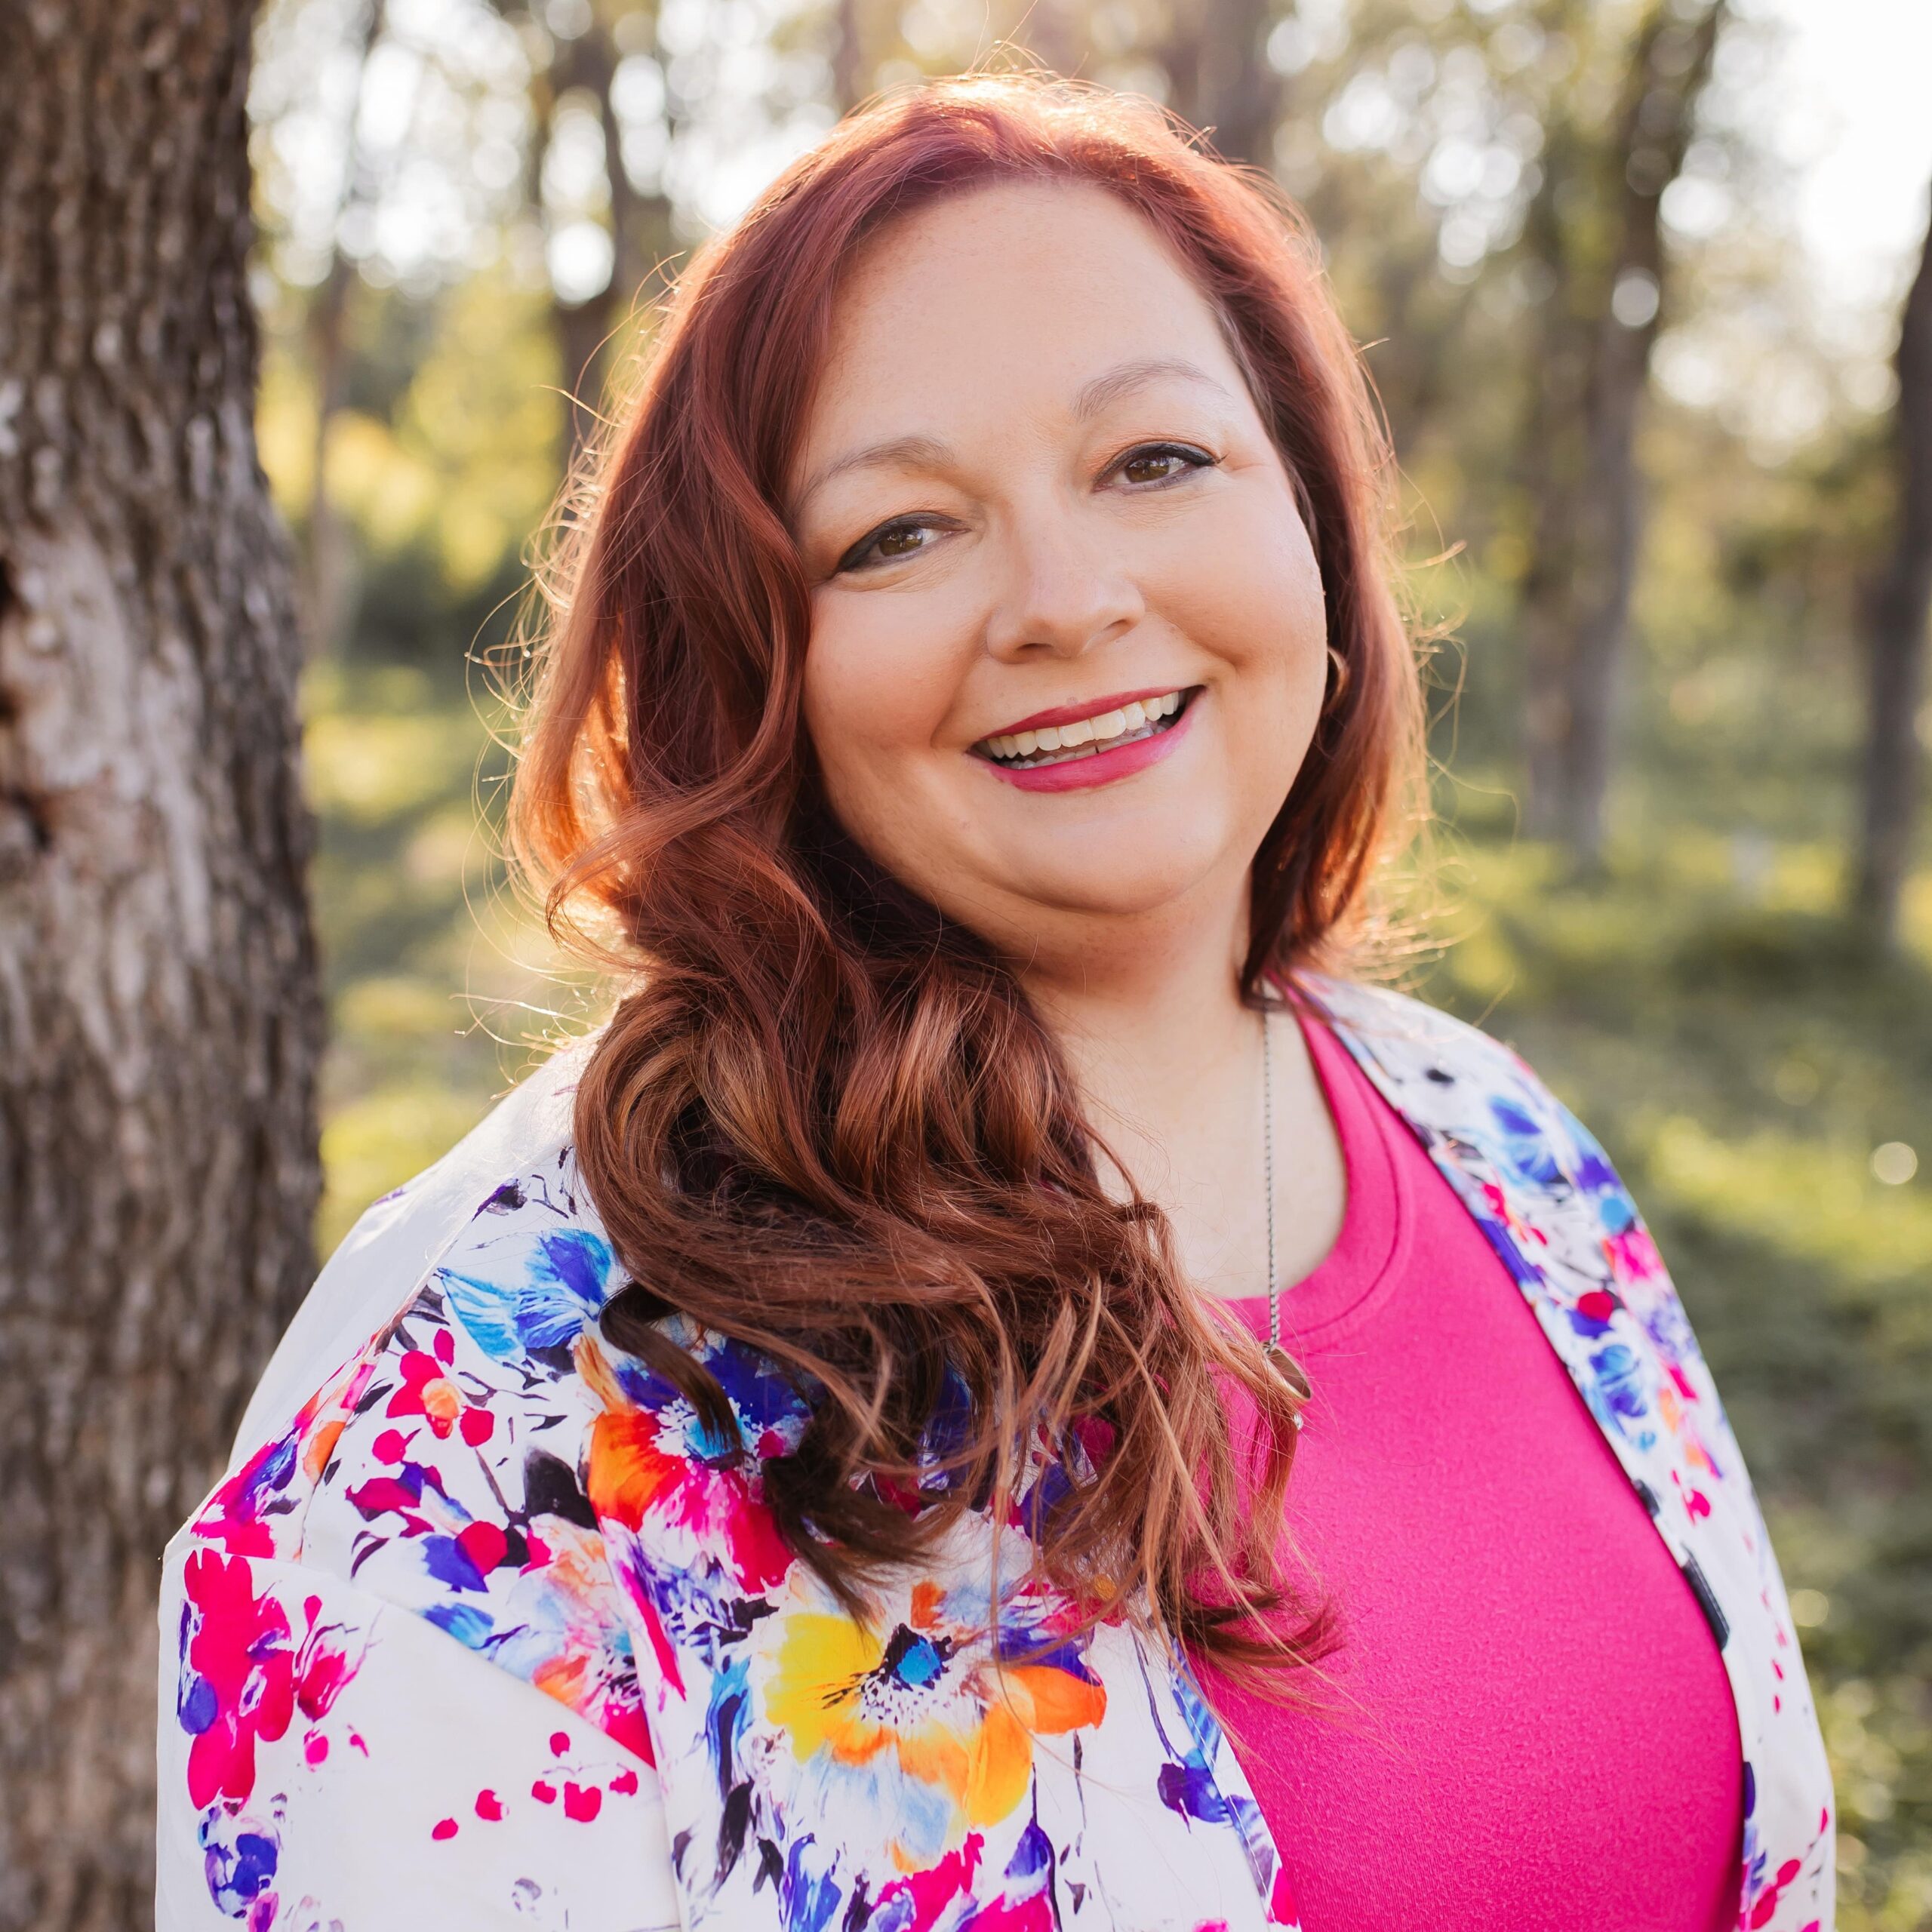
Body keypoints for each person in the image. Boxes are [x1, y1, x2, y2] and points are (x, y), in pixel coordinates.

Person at [155, 72, 1834, 1932]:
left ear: (1304, 512)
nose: (1064, 598)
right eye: (896, 531)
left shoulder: (1504, 1149)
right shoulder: (492, 1407)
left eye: (1153, 461)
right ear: (750, 661)